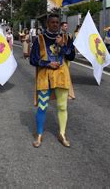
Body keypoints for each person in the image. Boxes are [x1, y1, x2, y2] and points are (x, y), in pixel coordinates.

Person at [30, 14, 76, 148]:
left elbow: (72, 56)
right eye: (52, 22)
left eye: (57, 22)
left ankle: (62, 134)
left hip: (62, 76)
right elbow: (33, 59)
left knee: (62, 106)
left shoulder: (67, 38)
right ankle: (39, 134)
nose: (55, 24)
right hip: (45, 77)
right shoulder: (39, 39)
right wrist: (47, 64)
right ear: (47, 24)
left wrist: (62, 46)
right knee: (42, 106)